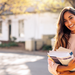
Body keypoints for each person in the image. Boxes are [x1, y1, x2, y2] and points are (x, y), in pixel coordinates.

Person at [48, 7, 75, 75]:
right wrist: (68, 68)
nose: (69, 23)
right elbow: (50, 65)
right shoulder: (62, 38)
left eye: (71, 18)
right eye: (65, 21)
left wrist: (69, 74)